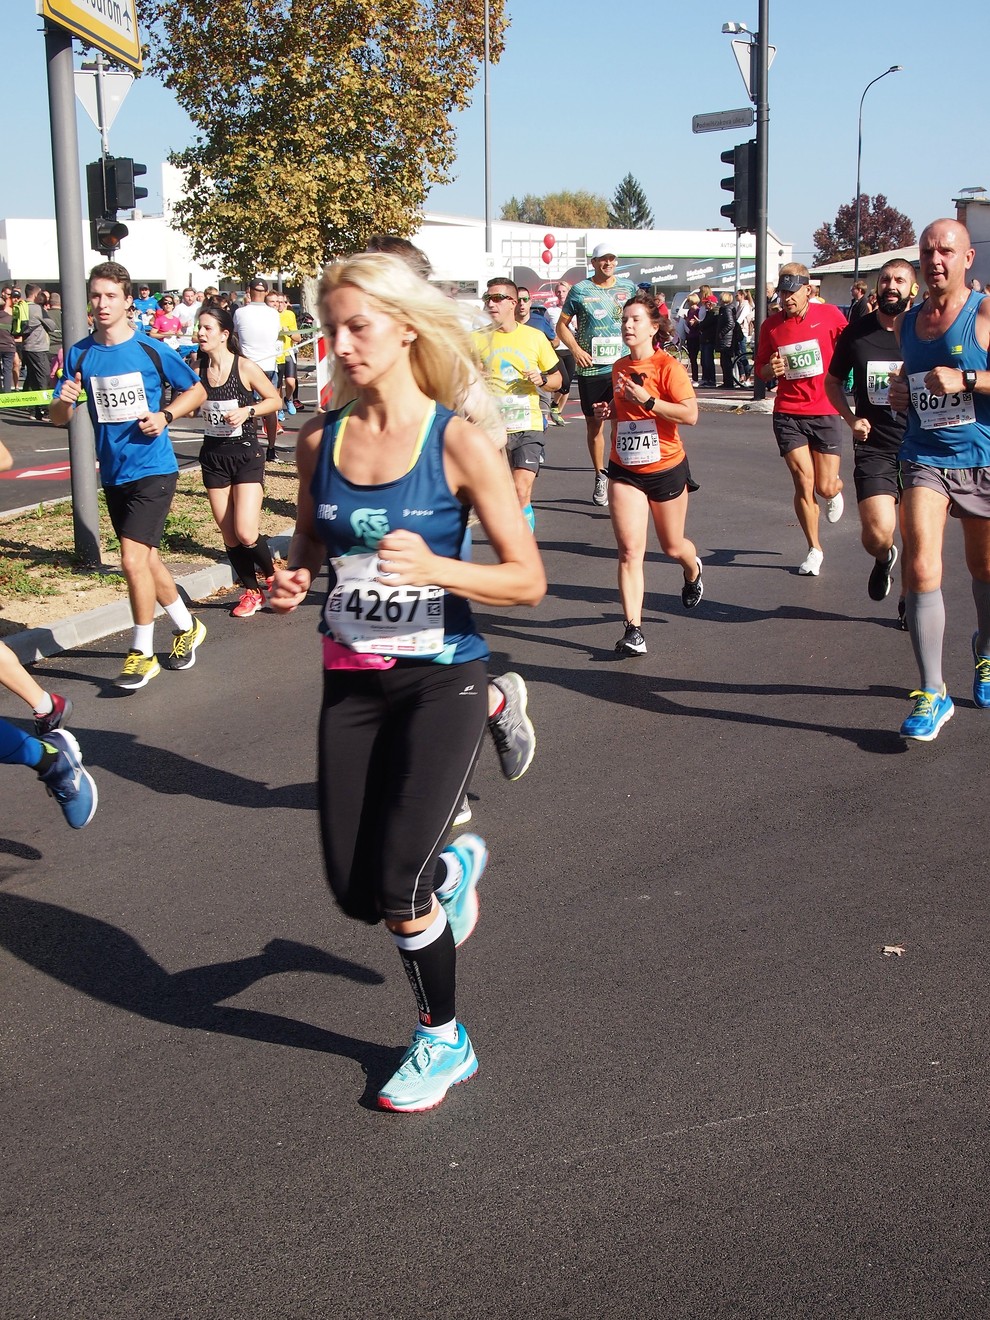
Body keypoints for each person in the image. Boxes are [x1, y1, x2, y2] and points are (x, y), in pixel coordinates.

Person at [268, 252, 546, 1112]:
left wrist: (439, 567)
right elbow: (314, 553)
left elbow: (526, 580)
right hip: (350, 679)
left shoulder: (457, 441)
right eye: (331, 328)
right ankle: (451, 869)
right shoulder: (321, 438)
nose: (341, 344)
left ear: (405, 328)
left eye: (358, 326)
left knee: (396, 888)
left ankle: (442, 1039)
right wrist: (288, 579)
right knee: (355, 893)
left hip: (441, 678)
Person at [50, 262, 208, 688]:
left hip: (154, 467)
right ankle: (186, 625)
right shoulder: (81, 353)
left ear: (127, 301)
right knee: (147, 558)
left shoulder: (151, 349)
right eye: (96, 296)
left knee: (131, 559)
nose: (101, 304)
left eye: (110, 296)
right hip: (115, 471)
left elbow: (196, 389)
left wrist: (166, 415)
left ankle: (140, 651)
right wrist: (64, 400)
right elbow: (56, 416)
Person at [887, 218, 990, 741]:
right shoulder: (907, 322)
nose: (935, 260)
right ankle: (933, 690)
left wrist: (968, 378)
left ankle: (986, 650)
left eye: (946, 251)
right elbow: (909, 380)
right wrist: (902, 391)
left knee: (985, 569)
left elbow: (967, 378)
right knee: (922, 561)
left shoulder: (985, 311)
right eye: (928, 251)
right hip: (925, 456)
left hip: (983, 460)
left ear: (967, 258)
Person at [593, 290, 702, 656]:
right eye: (624, 319)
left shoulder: (669, 367)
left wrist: (649, 401)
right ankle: (633, 630)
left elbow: (690, 414)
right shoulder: (619, 366)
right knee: (629, 551)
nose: (628, 325)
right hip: (624, 467)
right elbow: (624, 406)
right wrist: (610, 409)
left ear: (654, 327)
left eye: (636, 319)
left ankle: (692, 570)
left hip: (666, 467)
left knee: (672, 546)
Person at [825, 259, 916, 614]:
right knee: (878, 532)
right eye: (885, 279)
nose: (891, 285)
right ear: (877, 287)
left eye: (899, 280)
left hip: (921, 445)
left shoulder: (925, 329)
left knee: (917, 534)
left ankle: (910, 601)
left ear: (913, 289)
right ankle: (883, 557)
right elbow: (832, 382)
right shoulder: (857, 332)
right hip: (874, 443)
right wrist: (850, 418)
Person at [754, 263, 848, 575]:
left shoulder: (831, 316)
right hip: (788, 412)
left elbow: (851, 348)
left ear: (809, 290)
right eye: (782, 291)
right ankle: (814, 548)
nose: (787, 298)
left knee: (824, 485)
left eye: (792, 291)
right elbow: (760, 370)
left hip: (825, 409)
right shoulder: (771, 326)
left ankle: (835, 491)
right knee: (803, 482)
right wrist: (772, 371)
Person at [196, 305, 283, 617]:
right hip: (214, 456)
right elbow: (190, 401)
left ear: (224, 334)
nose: (200, 333)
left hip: (245, 453)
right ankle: (251, 591)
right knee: (229, 535)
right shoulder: (199, 371)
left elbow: (275, 399)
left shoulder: (244, 367)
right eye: (199, 327)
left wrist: (248, 411)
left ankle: (271, 573)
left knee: (246, 531)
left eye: (207, 328)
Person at [473, 278, 562, 533]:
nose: (491, 303)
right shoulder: (475, 340)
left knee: (521, 490)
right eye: (487, 298)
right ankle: (514, 548)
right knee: (503, 498)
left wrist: (542, 379)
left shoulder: (534, 338)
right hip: (492, 428)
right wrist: (474, 375)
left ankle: (524, 554)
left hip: (528, 424)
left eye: (497, 298)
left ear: (513, 302)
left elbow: (558, 380)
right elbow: (457, 381)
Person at [555, 243, 635, 506]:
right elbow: (562, 325)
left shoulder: (628, 288)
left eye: (612, 259)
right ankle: (600, 473)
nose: (608, 263)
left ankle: (619, 474)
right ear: (594, 262)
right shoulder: (580, 290)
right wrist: (576, 349)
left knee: (621, 423)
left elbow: (640, 318)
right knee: (595, 424)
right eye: (603, 259)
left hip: (622, 367)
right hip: (592, 368)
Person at [234, 279, 282, 460]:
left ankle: (252, 445)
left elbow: (237, 336)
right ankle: (271, 448)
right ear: (266, 293)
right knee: (270, 407)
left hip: (249, 365)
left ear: (249, 291)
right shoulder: (273, 314)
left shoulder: (240, 312)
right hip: (269, 364)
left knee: (250, 408)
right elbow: (276, 335)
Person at [277, 292, 302, 414]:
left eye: (283, 302)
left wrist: (289, 333)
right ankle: (279, 407)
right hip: (276, 354)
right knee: (277, 384)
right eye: (278, 302)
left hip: (288, 352)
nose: (280, 305)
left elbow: (298, 338)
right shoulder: (271, 315)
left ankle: (288, 399)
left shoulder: (290, 315)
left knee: (290, 382)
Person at [716, 291, 740, 389]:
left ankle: (728, 382)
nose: (719, 300)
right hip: (727, 339)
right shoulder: (726, 309)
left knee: (726, 362)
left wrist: (722, 333)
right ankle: (727, 381)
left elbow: (730, 323)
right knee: (725, 362)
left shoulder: (727, 309)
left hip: (727, 339)